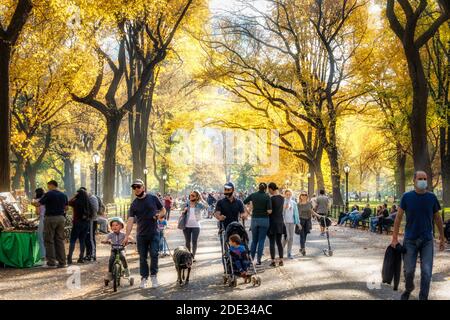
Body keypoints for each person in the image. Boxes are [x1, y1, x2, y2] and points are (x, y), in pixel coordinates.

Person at [391, 171, 446, 300]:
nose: (423, 181)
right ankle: (409, 288)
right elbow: (398, 218)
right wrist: (394, 238)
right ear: (414, 181)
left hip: (427, 240)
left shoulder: (432, 197)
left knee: (426, 273)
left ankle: (423, 297)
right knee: (409, 271)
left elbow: (438, 218)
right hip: (410, 239)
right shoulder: (406, 197)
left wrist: (442, 237)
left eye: (425, 179)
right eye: (420, 178)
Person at [123, 179, 166, 289]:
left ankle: (154, 276)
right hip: (141, 235)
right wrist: (127, 236)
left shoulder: (153, 198)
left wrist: (158, 216)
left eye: (138, 186)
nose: (136, 189)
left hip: (154, 232)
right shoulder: (134, 204)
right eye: (134, 187)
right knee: (142, 257)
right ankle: (144, 278)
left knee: (154, 254)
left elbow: (163, 210)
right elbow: (130, 221)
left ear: (143, 187)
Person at [32, 180, 68, 268]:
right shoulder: (63, 195)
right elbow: (66, 208)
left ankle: (51, 262)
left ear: (52, 185)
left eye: (48, 186)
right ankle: (62, 262)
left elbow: (38, 204)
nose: (47, 188)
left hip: (50, 218)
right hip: (61, 218)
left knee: (49, 240)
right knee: (59, 240)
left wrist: (32, 202)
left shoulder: (49, 194)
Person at [243, 183, 272, 265]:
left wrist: (249, 212)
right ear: (265, 189)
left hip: (254, 219)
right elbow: (270, 211)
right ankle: (259, 260)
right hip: (264, 220)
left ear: (258, 188)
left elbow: (243, 202)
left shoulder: (253, 195)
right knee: (261, 240)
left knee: (254, 240)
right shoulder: (267, 197)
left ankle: (251, 259)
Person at [101, 217, 133, 282]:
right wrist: (105, 241)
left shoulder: (123, 234)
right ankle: (109, 273)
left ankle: (127, 271)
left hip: (121, 249)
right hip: (114, 250)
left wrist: (133, 241)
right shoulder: (111, 234)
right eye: (112, 225)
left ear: (121, 226)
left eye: (116, 225)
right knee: (111, 259)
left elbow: (130, 237)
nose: (114, 227)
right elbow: (106, 238)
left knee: (123, 257)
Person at [67, 188, 92, 264]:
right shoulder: (88, 203)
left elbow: (68, 202)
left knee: (73, 240)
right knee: (82, 240)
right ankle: (81, 257)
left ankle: (70, 257)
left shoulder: (76, 202)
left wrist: (74, 196)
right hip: (86, 223)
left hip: (77, 223)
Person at [181, 190, 206, 261]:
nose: (191, 196)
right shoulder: (187, 203)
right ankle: (188, 256)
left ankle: (193, 256)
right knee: (187, 242)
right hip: (186, 225)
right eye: (190, 195)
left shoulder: (199, 204)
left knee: (194, 241)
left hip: (196, 225)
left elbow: (206, 206)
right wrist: (183, 211)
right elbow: (181, 208)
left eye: (193, 195)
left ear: (197, 197)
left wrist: (202, 199)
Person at [297, 191, 321, 256]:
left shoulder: (309, 203)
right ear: (300, 196)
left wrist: (318, 216)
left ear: (307, 196)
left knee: (305, 235)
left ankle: (302, 247)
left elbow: (312, 211)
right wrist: (297, 222)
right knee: (302, 235)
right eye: (302, 195)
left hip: (307, 221)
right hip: (301, 220)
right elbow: (296, 214)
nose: (304, 196)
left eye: (305, 195)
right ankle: (303, 249)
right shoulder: (298, 204)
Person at [267, 182, 285, 267]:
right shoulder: (282, 198)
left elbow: (269, 211)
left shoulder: (271, 199)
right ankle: (281, 260)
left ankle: (273, 261)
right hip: (280, 221)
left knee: (272, 242)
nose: (268, 191)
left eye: (268, 189)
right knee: (279, 242)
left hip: (272, 222)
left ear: (271, 189)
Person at [81, 187, 99, 262]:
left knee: (91, 238)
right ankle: (88, 254)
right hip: (89, 220)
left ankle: (93, 255)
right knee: (87, 238)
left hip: (92, 220)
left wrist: (88, 215)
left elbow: (95, 209)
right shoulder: (89, 198)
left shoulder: (92, 198)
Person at [282, 189, 299, 259]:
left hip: (292, 222)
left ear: (291, 195)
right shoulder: (282, 202)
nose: (288, 196)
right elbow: (280, 212)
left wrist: (298, 222)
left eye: (289, 194)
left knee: (291, 238)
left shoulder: (294, 203)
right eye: (287, 194)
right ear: (285, 195)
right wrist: (284, 208)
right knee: (287, 237)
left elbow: (296, 214)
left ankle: (289, 253)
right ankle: (281, 249)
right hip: (285, 222)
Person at [34, 188, 46, 261]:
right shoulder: (46, 199)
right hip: (49, 218)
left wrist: (35, 206)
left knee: (40, 237)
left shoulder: (38, 201)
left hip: (43, 219)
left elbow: (38, 212)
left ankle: (43, 256)